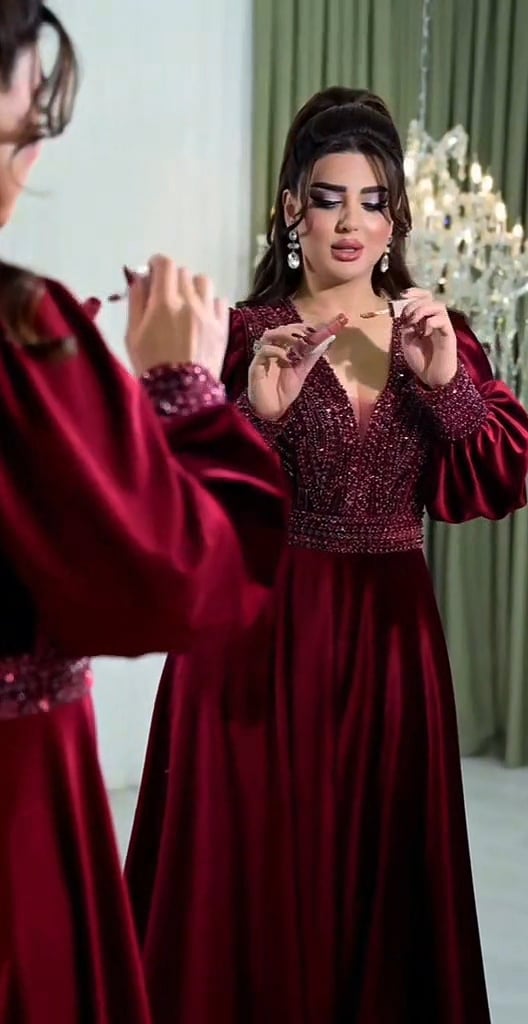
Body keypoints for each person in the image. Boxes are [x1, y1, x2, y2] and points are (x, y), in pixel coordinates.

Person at [126, 87, 528, 1023]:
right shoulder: (239, 335)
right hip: (257, 641)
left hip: (392, 644)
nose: (350, 222)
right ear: (291, 209)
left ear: (396, 219)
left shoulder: (439, 334)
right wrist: (253, 416)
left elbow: (496, 479)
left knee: (383, 876)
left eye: (373, 200)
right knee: (258, 878)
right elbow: (181, 509)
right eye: (328, 197)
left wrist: (447, 386)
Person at [0, 3, 287, 1022]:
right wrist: (185, 393)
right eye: (24, 128)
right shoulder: (19, 329)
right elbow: (180, 583)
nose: (31, 159)